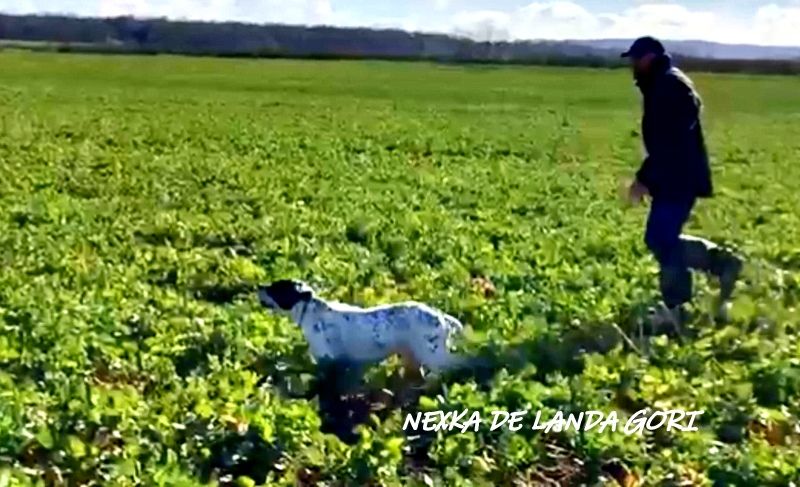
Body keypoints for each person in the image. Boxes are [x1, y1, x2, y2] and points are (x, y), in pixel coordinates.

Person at [621, 36, 743, 330]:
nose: (632, 66)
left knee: (661, 239)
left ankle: (678, 308)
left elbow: (671, 139)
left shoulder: (669, 85)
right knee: (661, 239)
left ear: (649, 58)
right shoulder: (662, 83)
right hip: (674, 174)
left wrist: (644, 178)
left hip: (679, 176)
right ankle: (721, 264)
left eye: (636, 59)